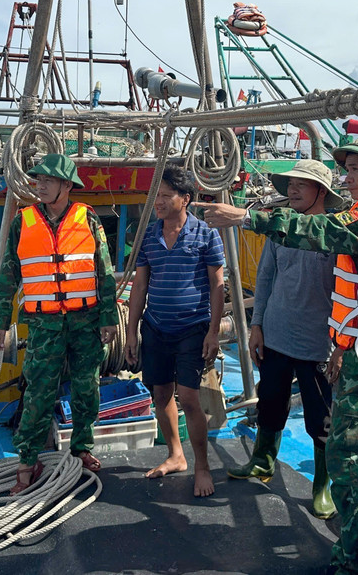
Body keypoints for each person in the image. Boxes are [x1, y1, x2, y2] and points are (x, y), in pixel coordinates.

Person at [198, 135, 358, 575]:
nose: (347, 178)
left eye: (356, 170)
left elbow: (316, 231)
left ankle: (354, 564)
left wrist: (246, 217)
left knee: (352, 463)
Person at [0, 153, 118, 494]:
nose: (39, 185)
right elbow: (7, 275)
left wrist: (109, 318)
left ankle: (81, 448)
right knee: (38, 393)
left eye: (47, 180)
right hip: (44, 325)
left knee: (87, 388)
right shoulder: (23, 221)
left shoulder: (88, 219)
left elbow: (104, 272)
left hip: (86, 321)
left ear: (66, 185)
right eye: (38, 179)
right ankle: (27, 462)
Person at [227, 160, 339, 521]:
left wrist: (341, 344)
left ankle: (322, 485)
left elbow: (349, 291)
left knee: (321, 418)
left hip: (318, 341)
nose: (291, 190)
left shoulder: (336, 232)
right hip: (275, 333)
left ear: (321, 192)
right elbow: (265, 278)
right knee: (270, 401)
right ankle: (262, 461)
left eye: (301, 185)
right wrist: (256, 325)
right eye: (290, 184)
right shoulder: (280, 229)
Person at [124, 166, 225, 498]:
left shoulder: (206, 234)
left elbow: (217, 285)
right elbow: (140, 285)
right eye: (158, 197)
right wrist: (131, 332)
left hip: (192, 329)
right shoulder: (150, 236)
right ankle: (175, 455)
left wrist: (213, 332)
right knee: (161, 396)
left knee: (191, 396)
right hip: (156, 328)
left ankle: (202, 467)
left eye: (167, 196)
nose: (160, 202)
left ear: (186, 199)